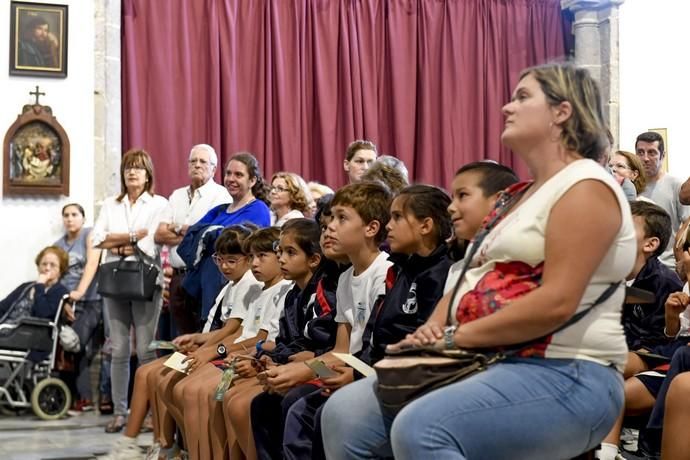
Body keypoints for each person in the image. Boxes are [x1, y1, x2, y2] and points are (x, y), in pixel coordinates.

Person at [321, 63, 636, 460]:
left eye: (523, 97)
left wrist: (452, 338)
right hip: (480, 359)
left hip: (567, 369)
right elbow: (465, 282)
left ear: (562, 112)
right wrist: (427, 338)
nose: (507, 107)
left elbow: (558, 302)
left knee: (423, 429)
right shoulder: (515, 197)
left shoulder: (586, 187)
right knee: (344, 415)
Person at [279, 185, 453, 460]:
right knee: (278, 400)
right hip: (360, 366)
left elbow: (400, 344)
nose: (329, 229)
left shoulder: (387, 272)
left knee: (304, 408)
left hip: (378, 372)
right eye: (328, 221)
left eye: (341, 219)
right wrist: (304, 368)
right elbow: (342, 350)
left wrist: (309, 370)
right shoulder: (354, 276)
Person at [103, 225, 261, 460]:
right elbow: (224, 330)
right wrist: (197, 340)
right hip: (218, 352)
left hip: (228, 358)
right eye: (220, 260)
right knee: (150, 373)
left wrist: (207, 349)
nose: (225, 266)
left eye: (232, 260)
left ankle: (186, 450)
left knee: (200, 391)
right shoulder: (235, 285)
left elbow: (242, 335)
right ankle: (163, 446)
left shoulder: (251, 284)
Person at [597, 201, 682, 460]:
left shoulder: (664, 281)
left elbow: (664, 338)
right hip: (627, 351)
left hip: (657, 358)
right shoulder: (606, 274)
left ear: (650, 244)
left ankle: (608, 452)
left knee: (608, 375)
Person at [92, 148, 169, 433]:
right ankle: (120, 412)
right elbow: (97, 238)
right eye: (127, 168)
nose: (132, 172)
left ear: (148, 174)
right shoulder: (111, 204)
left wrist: (123, 243)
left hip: (146, 279)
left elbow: (153, 241)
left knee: (147, 349)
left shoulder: (159, 203)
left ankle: (149, 413)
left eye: (137, 167)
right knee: (119, 348)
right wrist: (133, 237)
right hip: (115, 279)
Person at [177, 152, 271, 325]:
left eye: (239, 174)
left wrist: (210, 233)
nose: (231, 179)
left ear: (252, 180)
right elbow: (192, 234)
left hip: (233, 288)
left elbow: (242, 243)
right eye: (228, 173)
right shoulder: (219, 209)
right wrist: (213, 233)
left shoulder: (258, 209)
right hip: (202, 286)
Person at [154, 144, 231, 336]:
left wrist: (178, 227)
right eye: (193, 161)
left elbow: (210, 236)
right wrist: (193, 232)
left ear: (213, 168)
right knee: (178, 337)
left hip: (204, 275)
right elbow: (159, 234)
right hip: (177, 276)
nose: (197, 165)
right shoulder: (176, 195)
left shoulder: (220, 195)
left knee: (200, 333)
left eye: (203, 161)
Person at [54, 203, 103, 413]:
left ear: (83, 218)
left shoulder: (90, 235)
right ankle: (71, 397)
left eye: (74, 214)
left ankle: (83, 398)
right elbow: (56, 275)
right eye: (66, 215)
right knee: (67, 346)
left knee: (78, 344)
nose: (70, 218)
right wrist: (65, 301)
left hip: (92, 300)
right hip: (68, 304)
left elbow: (92, 264)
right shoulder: (58, 245)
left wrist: (79, 292)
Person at [444, 161, 519, 290]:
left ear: (500, 200)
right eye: (452, 198)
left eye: (462, 195)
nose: (450, 207)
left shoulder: (518, 263)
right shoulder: (455, 270)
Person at [637, 131, 690, 268]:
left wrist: (682, 265)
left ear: (663, 156)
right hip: (638, 267)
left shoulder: (676, 186)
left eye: (652, 152)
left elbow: (686, 228)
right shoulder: (632, 186)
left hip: (667, 266)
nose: (646, 158)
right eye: (640, 152)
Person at [0, 246, 69, 330]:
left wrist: (40, 286)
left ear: (60, 271)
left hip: (28, 335)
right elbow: (2, 307)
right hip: (5, 329)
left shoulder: (60, 291)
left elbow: (42, 314)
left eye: (52, 265)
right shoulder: (26, 286)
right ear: (38, 267)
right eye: (44, 264)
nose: (47, 268)